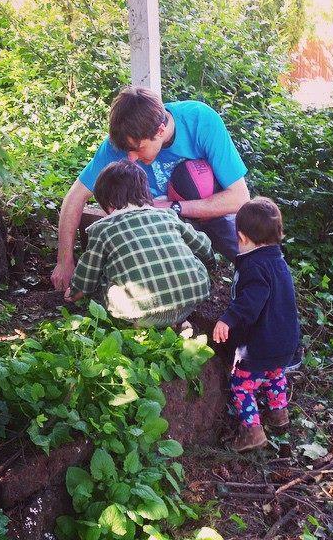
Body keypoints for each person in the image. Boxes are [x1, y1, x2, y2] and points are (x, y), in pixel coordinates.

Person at [51, 87, 250, 292]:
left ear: (160, 131)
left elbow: (239, 198)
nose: (131, 158)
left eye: (138, 148)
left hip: (209, 211)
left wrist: (172, 207)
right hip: (158, 226)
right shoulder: (120, 144)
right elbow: (75, 196)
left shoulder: (201, 121)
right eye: (127, 151)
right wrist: (64, 261)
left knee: (256, 253)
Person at [65, 160, 215, 326]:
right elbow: (204, 247)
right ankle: (179, 322)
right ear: (145, 192)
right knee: (193, 261)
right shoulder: (168, 215)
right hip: (190, 299)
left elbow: (88, 273)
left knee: (102, 283)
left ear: (108, 204)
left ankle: (140, 327)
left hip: (139, 313)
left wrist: (74, 293)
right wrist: (210, 263)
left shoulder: (102, 230)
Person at [213, 197, 300, 452]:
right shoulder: (279, 262)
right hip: (286, 341)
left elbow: (250, 302)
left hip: (261, 343)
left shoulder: (253, 266)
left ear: (241, 237)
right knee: (275, 374)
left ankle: (252, 430)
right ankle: (278, 414)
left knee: (241, 384)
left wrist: (227, 319)